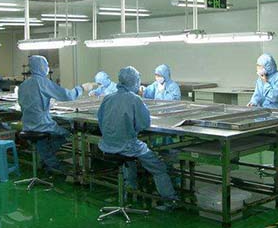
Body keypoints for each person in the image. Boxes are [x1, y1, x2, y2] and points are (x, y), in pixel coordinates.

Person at [97, 66, 178, 206]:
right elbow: (143, 124)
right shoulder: (135, 100)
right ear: (134, 82)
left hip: (107, 144)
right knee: (158, 167)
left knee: (129, 159)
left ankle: (130, 188)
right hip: (127, 146)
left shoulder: (108, 98)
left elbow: (101, 120)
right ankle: (170, 200)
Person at [18, 55, 94, 174]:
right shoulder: (43, 83)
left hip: (27, 124)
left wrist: (46, 105)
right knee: (68, 134)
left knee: (44, 142)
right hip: (42, 124)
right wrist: (82, 88)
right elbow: (67, 95)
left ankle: (46, 160)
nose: (47, 68)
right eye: (46, 65)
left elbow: (28, 103)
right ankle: (54, 163)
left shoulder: (23, 85)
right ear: (42, 67)